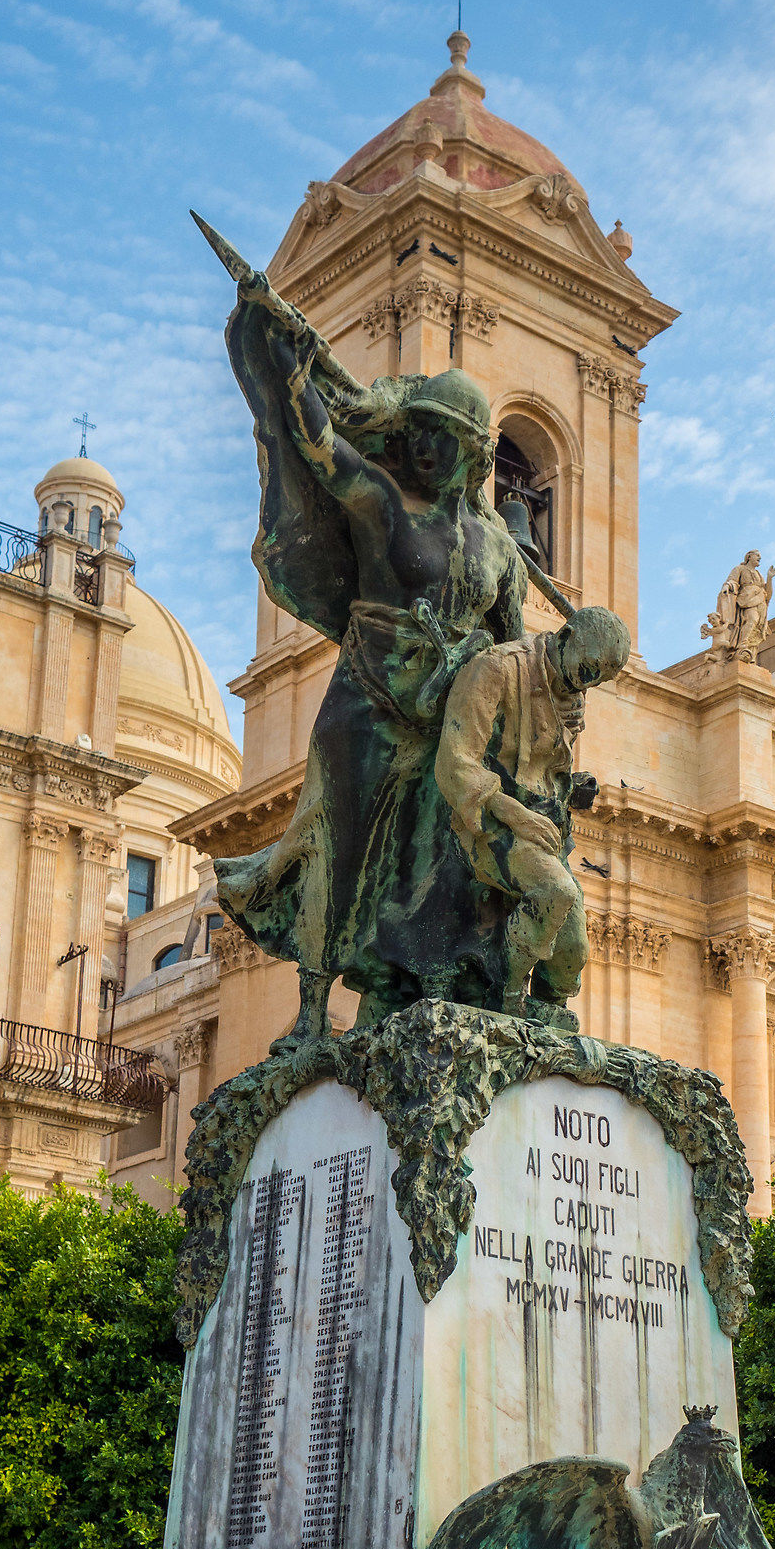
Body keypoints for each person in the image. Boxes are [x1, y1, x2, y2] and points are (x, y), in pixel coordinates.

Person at [194, 217, 530, 1043]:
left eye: (439, 437)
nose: (421, 447)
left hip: (450, 714)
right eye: (415, 431)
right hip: (371, 701)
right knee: (339, 853)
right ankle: (312, 1010)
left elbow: (518, 652)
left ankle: (427, 985)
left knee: (445, 861)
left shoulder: (497, 545)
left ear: (472, 452)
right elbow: (318, 449)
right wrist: (290, 370)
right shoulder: (382, 502)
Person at [435, 606, 631, 1020]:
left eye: (598, 679)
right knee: (556, 893)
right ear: (564, 638)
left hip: (545, 828)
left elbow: (543, 767)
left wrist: (570, 787)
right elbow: (456, 762)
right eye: (588, 670)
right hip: (489, 820)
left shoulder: (571, 692)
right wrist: (516, 814)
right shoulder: (496, 669)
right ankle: (506, 997)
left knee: (573, 950)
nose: (587, 684)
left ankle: (548, 1015)